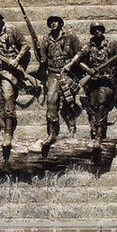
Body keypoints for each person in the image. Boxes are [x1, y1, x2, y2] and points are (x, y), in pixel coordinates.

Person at [66, 21, 117, 150]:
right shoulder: (87, 46)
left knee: (101, 106)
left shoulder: (111, 45)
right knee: (92, 108)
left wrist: (112, 78)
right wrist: (88, 70)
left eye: (99, 29)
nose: (97, 32)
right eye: (95, 30)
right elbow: (78, 60)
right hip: (91, 82)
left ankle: (99, 137)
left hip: (105, 81)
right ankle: (94, 132)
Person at [0, 8, 31, 153]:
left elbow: (25, 45)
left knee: (8, 96)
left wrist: (16, 60)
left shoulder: (12, 30)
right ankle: (1, 120)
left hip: (11, 68)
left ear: (1, 19)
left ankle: (8, 133)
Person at [40, 15, 81, 151]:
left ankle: (72, 130)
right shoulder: (46, 39)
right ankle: (52, 133)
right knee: (51, 102)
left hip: (68, 74)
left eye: (56, 21)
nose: (53, 24)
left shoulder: (70, 37)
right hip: (52, 74)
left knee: (68, 103)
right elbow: (43, 58)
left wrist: (72, 65)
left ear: (61, 23)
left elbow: (80, 53)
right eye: (50, 22)